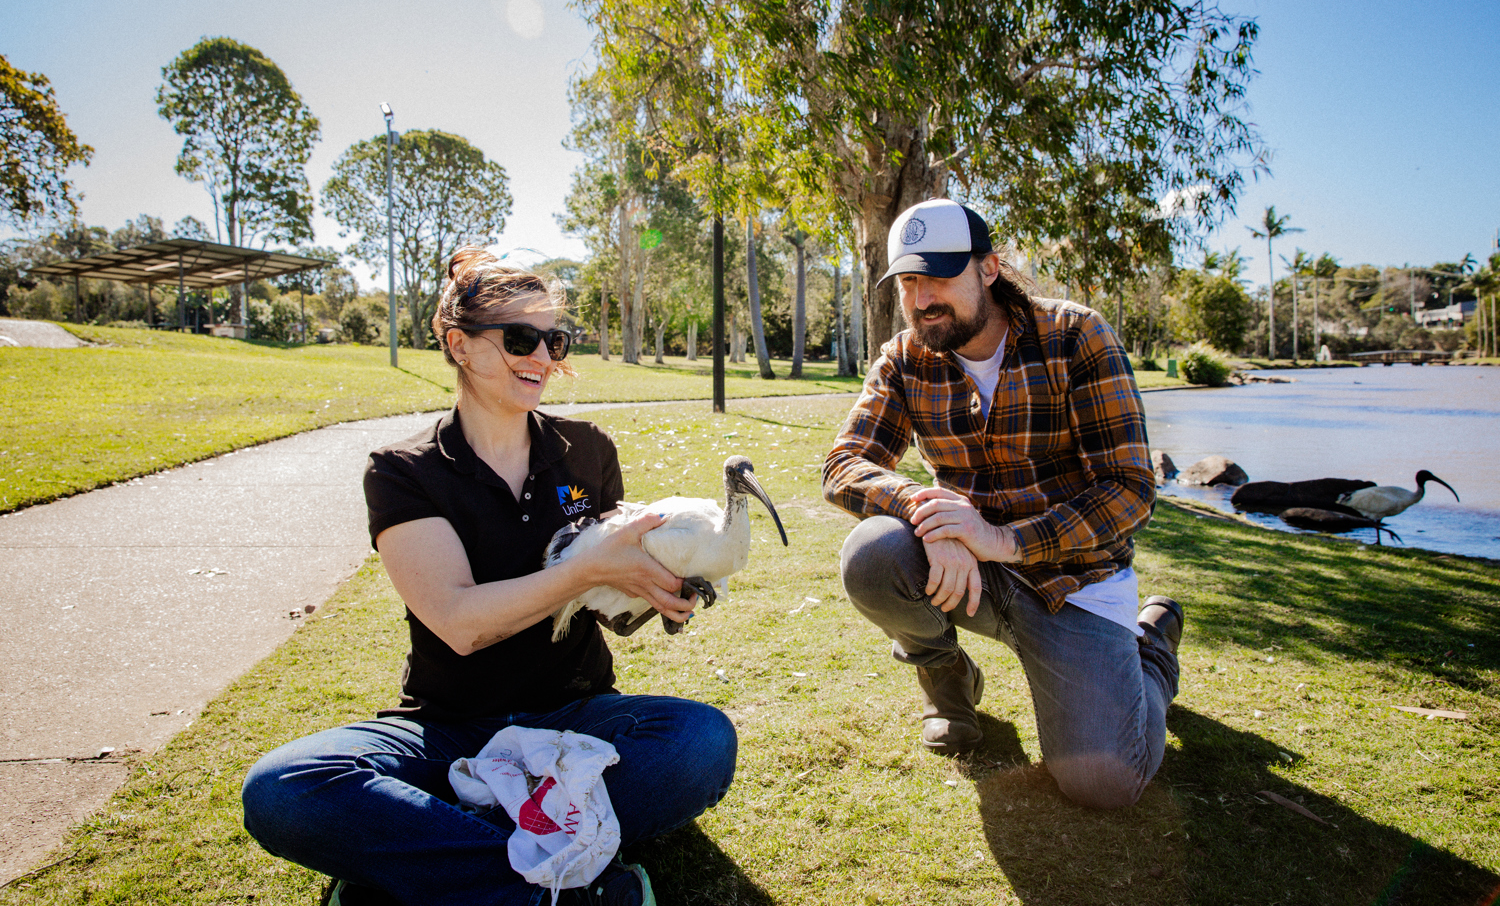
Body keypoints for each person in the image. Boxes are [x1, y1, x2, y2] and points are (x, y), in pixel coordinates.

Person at [243, 249, 737, 905]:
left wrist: (659, 587)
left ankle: (427, 858)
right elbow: (458, 624)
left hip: (576, 718)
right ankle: (561, 885)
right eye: (519, 337)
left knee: (700, 743)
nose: (542, 356)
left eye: (554, 339)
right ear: (459, 344)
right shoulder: (404, 470)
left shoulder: (588, 449)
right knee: (284, 787)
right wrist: (584, 568)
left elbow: (605, 609)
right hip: (444, 731)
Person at [822, 198, 1180, 809]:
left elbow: (1130, 489)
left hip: (1077, 582)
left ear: (989, 268)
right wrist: (925, 512)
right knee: (872, 556)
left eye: (938, 275)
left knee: (1105, 785)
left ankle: (1151, 647)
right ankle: (947, 682)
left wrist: (1002, 540)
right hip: (969, 575)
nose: (921, 298)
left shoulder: (1074, 335)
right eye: (908, 280)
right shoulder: (904, 358)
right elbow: (842, 465)